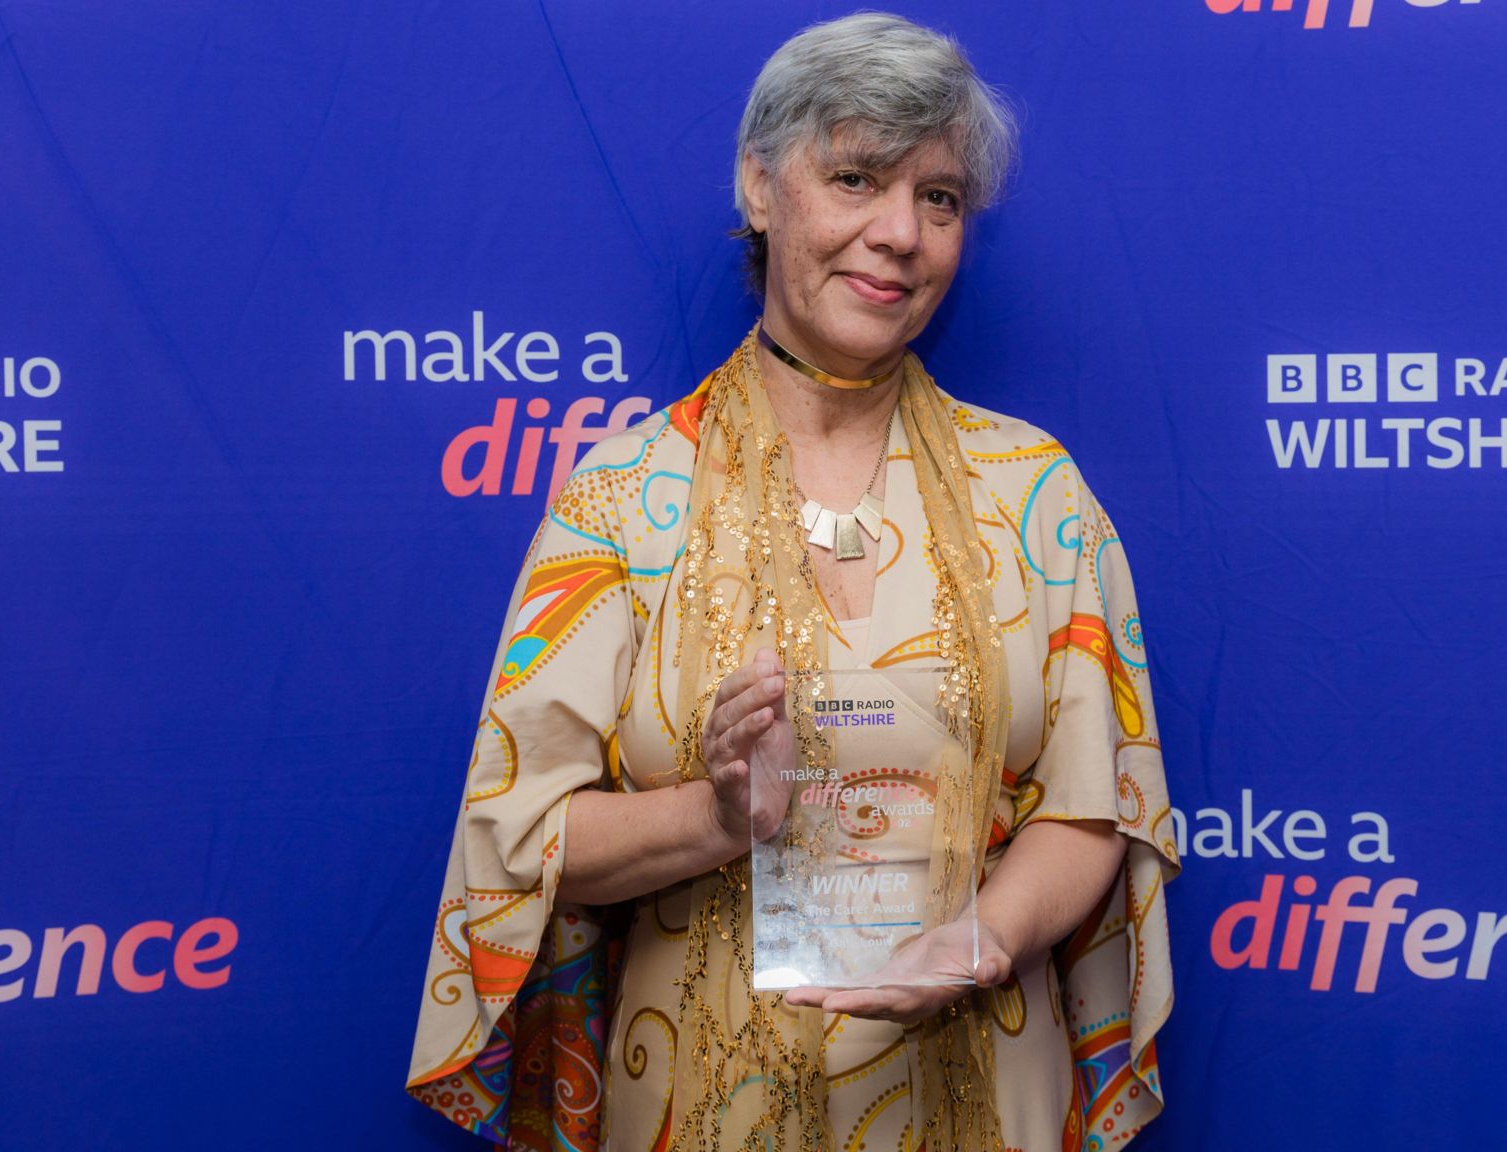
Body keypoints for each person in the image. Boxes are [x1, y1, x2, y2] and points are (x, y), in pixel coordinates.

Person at [406, 13, 1178, 1151]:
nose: (898, 234)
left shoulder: (1036, 493)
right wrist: (718, 815)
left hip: (985, 1093)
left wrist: (978, 941)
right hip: (696, 1108)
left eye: (939, 199)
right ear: (759, 189)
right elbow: (519, 840)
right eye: (855, 177)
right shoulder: (620, 499)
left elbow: (1092, 802)